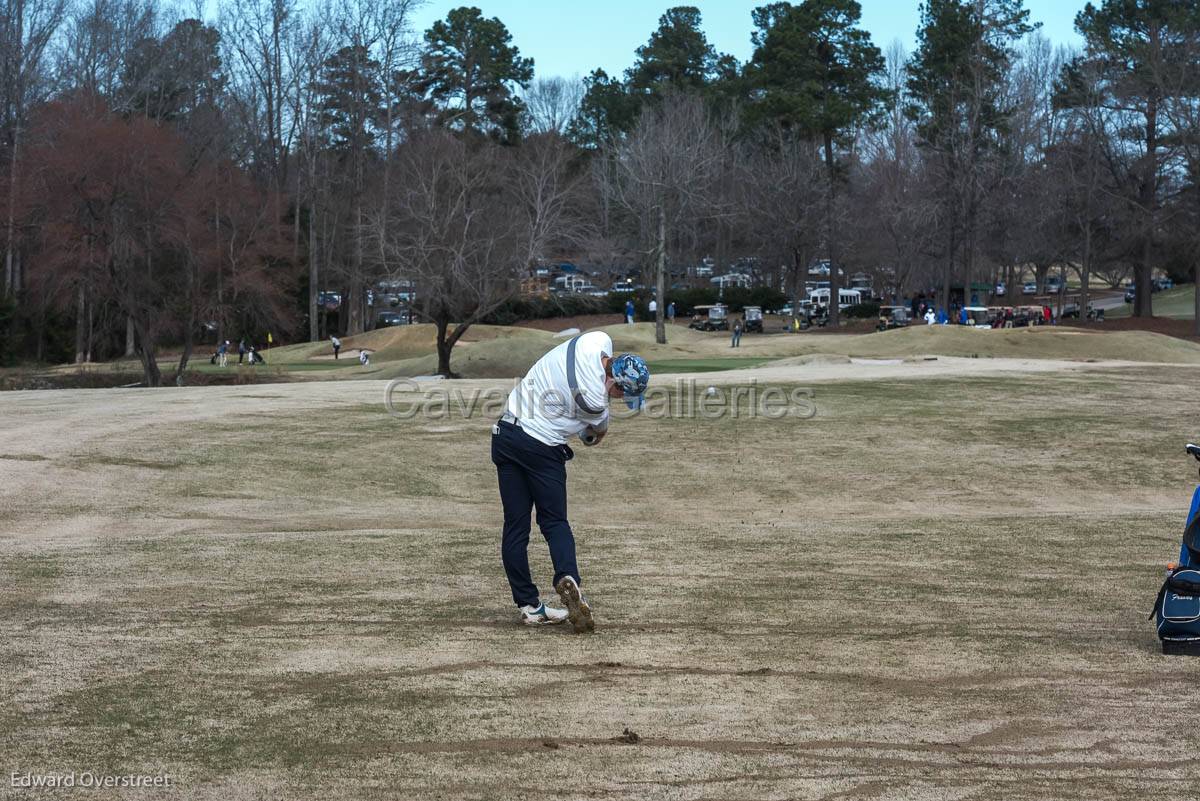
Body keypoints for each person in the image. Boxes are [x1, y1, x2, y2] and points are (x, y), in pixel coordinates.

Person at [493, 331, 649, 632]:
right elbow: (593, 436)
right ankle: (568, 577)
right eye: (622, 394)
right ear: (613, 383)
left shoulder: (597, 340)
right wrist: (593, 426)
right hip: (541, 449)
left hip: (505, 433)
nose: (619, 400)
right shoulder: (596, 404)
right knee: (554, 523)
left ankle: (529, 606)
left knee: (515, 525)